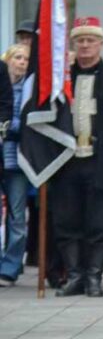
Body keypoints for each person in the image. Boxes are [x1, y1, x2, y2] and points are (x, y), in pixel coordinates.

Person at [52, 17, 103, 298]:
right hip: (66, 162)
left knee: (101, 223)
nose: (85, 45)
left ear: (101, 43)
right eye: (80, 41)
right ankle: (74, 275)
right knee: (67, 221)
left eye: (91, 40)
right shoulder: (59, 83)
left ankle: (94, 278)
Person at [0, 44, 29, 287]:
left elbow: (25, 121)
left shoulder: (26, 90)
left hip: (17, 160)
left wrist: (8, 127)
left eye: (25, 59)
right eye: (17, 57)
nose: (21, 62)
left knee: (17, 216)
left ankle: (10, 267)